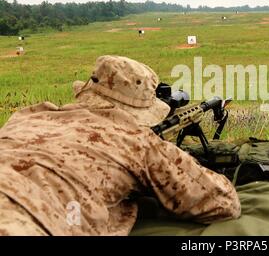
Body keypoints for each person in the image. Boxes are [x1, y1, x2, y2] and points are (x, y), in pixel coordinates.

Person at [0, 55, 241, 236]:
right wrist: (165, 154)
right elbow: (221, 202)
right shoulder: (136, 141)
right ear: (141, 109)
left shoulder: (29, 115)